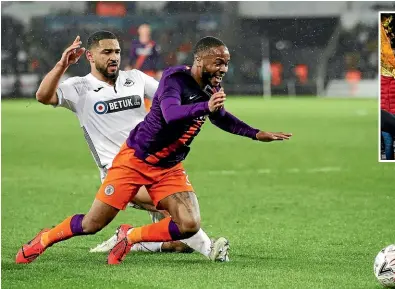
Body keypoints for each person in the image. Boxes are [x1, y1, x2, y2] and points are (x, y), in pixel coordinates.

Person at [16, 36, 292, 265]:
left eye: (118, 52)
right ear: (90, 55)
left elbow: (176, 101)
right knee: (92, 224)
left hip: (167, 165)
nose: (114, 57)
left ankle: (132, 237)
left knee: (186, 224)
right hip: (125, 164)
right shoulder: (80, 87)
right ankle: (46, 238)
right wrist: (62, 65)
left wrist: (255, 133)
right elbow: (172, 112)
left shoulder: (137, 78)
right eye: (107, 52)